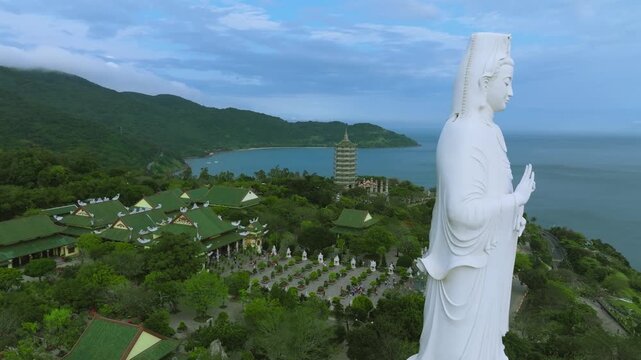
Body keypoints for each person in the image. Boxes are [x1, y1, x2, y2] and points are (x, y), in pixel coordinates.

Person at [409, 33, 535, 360]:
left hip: (487, 260)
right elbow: (460, 211)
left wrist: (512, 217)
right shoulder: (463, 132)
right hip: (466, 266)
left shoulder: (491, 132)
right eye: (506, 82)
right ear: (484, 81)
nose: (511, 91)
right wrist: (515, 199)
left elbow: (491, 193)